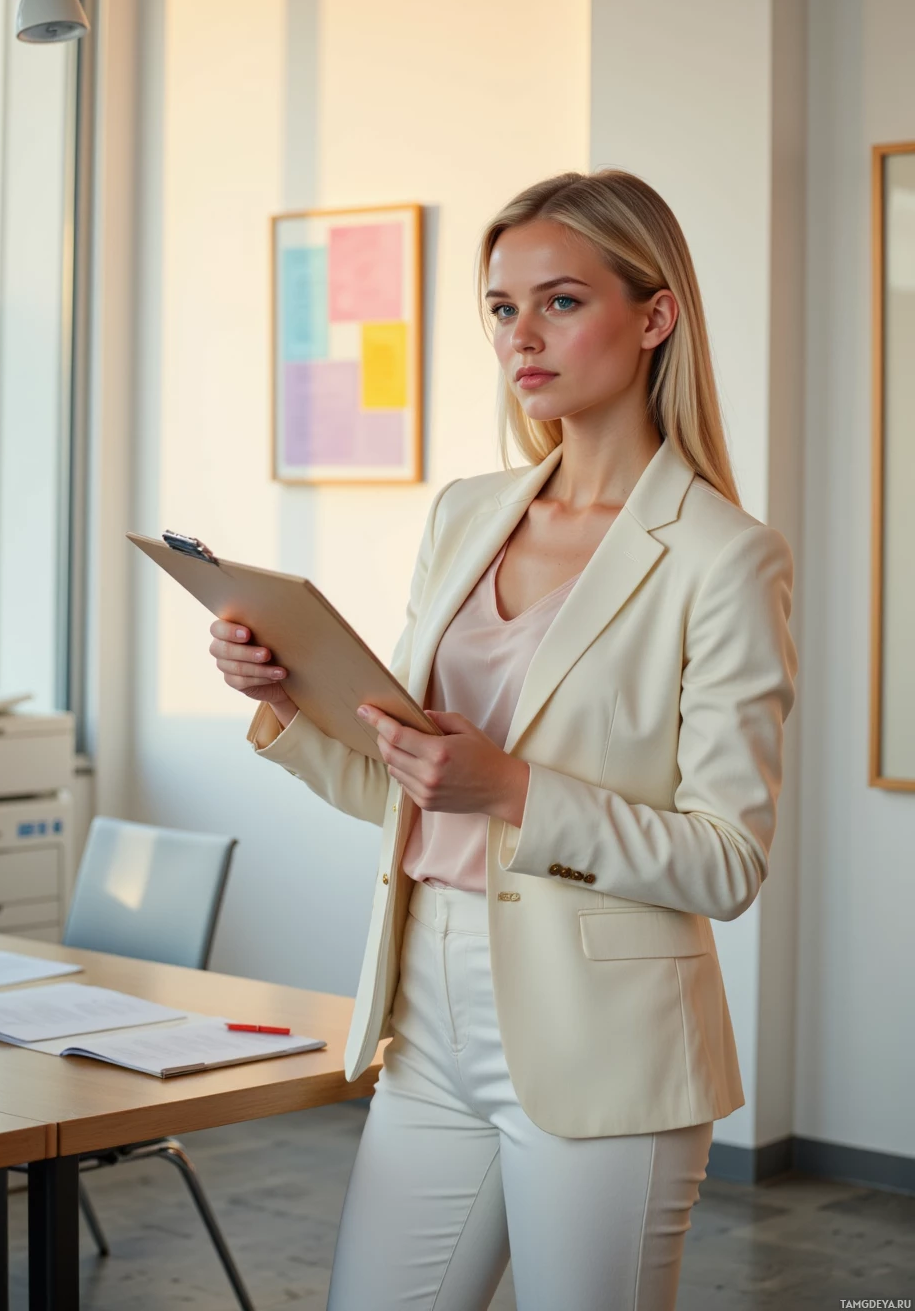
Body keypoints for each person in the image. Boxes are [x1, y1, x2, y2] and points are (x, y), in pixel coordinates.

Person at [209, 170, 798, 1311]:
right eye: (498, 307)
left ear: (654, 316)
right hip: (425, 1012)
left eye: (560, 302)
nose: (518, 337)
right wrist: (285, 699)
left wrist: (516, 788)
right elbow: (408, 788)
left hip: (603, 1045)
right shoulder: (466, 515)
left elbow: (727, 859)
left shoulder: (726, 557)